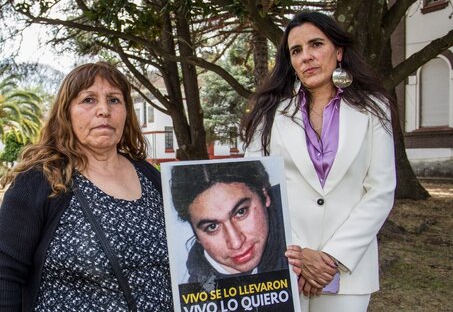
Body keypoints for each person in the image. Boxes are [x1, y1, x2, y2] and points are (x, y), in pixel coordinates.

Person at [242, 11, 397, 312]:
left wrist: (331, 257)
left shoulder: (374, 108)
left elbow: (380, 190)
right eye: (296, 51)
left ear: (338, 51)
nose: (306, 57)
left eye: (316, 45)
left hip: (349, 268)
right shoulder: (270, 113)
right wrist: (300, 254)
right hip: (284, 263)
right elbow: (255, 184)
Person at [0, 62, 173, 311]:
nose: (104, 110)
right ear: (66, 113)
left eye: (114, 100)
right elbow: (5, 275)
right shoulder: (39, 181)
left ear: (126, 112)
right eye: (89, 100)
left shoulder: (148, 174)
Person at [169, 160, 288, 285]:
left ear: (265, 195)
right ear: (197, 235)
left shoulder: (293, 208)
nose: (236, 243)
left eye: (241, 212)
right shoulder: (199, 297)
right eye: (212, 227)